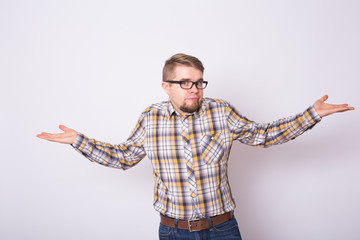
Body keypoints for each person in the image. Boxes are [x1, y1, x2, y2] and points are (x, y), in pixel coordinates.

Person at [37, 53, 354, 240]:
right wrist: (79, 141)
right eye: (185, 83)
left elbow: (263, 134)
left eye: (199, 82)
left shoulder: (221, 111)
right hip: (174, 232)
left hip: (223, 229)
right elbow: (125, 157)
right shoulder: (150, 118)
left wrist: (311, 115)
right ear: (166, 86)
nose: (195, 89)